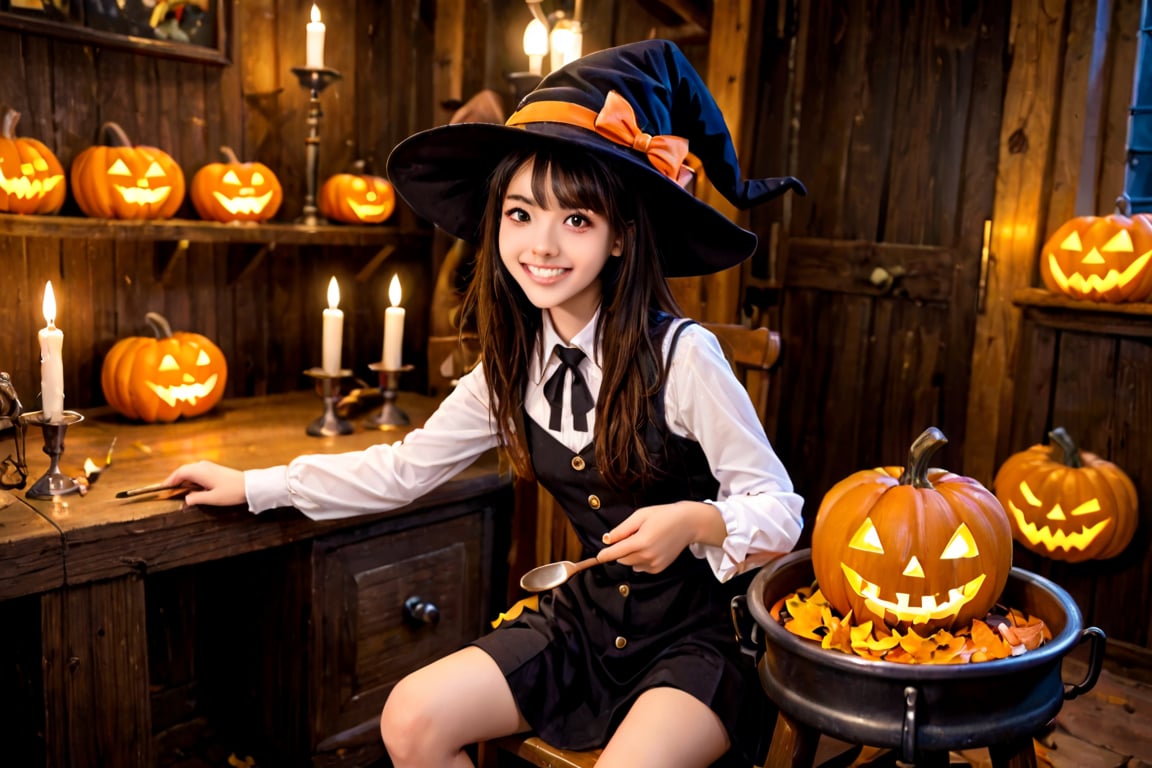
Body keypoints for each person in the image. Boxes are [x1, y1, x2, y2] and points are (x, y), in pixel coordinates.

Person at [164, 39, 806, 768]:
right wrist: (251, 486)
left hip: (700, 638)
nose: (542, 245)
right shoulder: (508, 367)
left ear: (623, 236)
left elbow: (781, 510)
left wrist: (696, 519)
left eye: (577, 221)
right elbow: (402, 470)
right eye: (520, 214)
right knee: (409, 719)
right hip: (588, 623)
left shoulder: (683, 356)